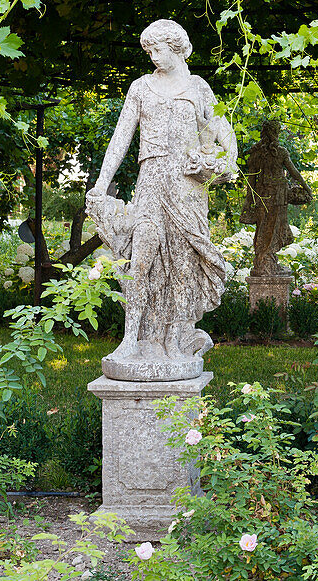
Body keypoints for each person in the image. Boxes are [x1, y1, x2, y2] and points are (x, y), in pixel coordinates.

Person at [86, 20, 237, 376]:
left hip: (187, 187)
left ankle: (174, 337)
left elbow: (220, 130)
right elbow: (120, 138)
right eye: (149, 51)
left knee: (183, 266)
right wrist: (101, 183)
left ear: (177, 47)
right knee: (140, 259)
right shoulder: (141, 88)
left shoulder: (198, 88)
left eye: (158, 50)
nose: (153, 57)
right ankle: (130, 338)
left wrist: (227, 159)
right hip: (152, 182)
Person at [240, 120, 313, 276]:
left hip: (263, 195)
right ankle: (266, 262)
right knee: (274, 228)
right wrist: (307, 188)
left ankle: (264, 261)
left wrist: (249, 200)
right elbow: (294, 173)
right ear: (275, 133)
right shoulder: (280, 152)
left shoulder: (256, 153)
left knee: (264, 228)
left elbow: (251, 180)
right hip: (278, 196)